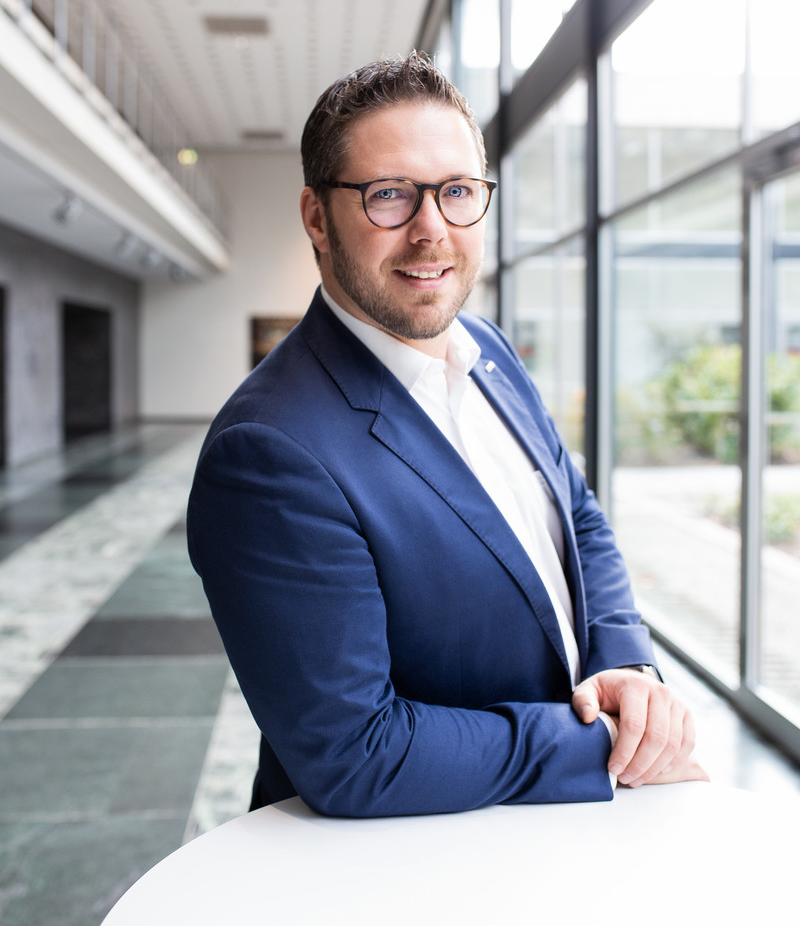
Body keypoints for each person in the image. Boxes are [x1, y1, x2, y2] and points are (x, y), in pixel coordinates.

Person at [187, 52, 707, 817]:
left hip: (557, 836)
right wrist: (603, 747)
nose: (432, 230)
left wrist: (628, 670)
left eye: (458, 191)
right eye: (389, 195)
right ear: (316, 218)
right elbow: (353, 754)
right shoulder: (268, 450)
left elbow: (578, 518)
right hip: (408, 860)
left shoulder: (488, 349)